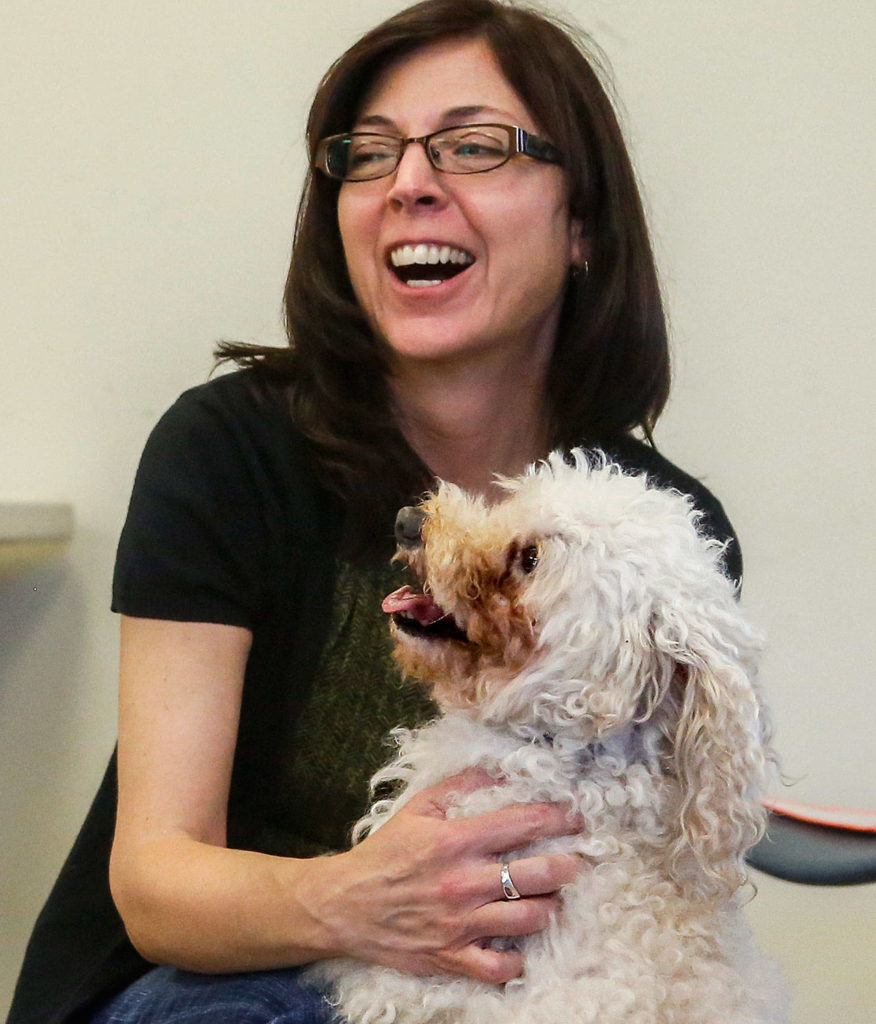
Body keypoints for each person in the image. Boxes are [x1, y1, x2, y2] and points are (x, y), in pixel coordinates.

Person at [7, 1, 741, 1022]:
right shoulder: (230, 450)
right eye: (369, 153)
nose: (408, 184)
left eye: (474, 146)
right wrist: (363, 901)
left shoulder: (658, 539)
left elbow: (646, 871)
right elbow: (158, 886)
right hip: (217, 983)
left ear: (584, 223)